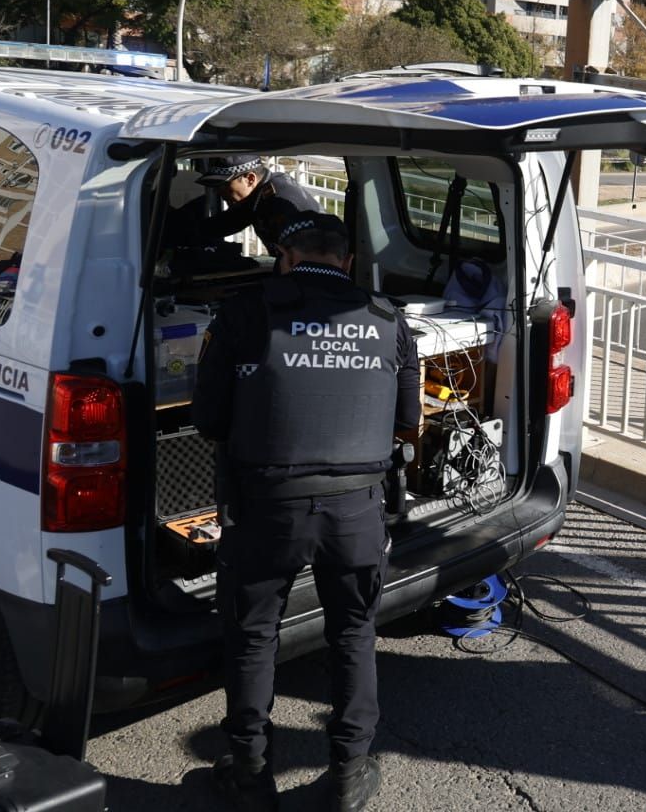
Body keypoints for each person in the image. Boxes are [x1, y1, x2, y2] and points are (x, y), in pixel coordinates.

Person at [192, 211, 420, 812]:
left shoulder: (243, 312)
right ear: (346, 260)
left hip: (266, 507)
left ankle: (249, 775)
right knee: (353, 634)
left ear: (284, 258)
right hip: (357, 511)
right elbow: (409, 421)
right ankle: (347, 775)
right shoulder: (387, 318)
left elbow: (209, 420)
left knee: (253, 637)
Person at [182, 156, 319, 256]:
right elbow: (223, 224)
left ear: (250, 179)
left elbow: (302, 258)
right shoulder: (257, 195)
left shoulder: (279, 203)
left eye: (224, 185)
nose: (219, 192)